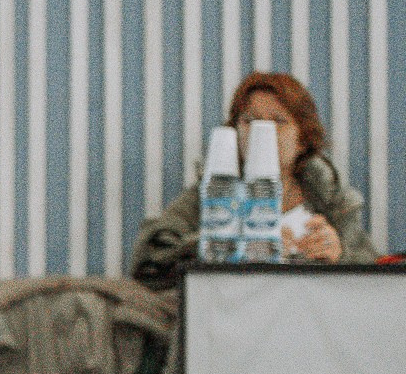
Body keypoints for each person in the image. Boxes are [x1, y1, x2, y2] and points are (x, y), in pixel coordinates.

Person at [132, 72, 379, 287]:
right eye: (249, 120)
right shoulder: (212, 194)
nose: (262, 130)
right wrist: (228, 244)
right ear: (234, 131)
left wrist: (340, 253)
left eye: (278, 121)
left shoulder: (332, 201)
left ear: (303, 138)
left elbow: (377, 273)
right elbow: (151, 256)